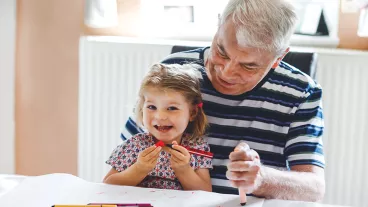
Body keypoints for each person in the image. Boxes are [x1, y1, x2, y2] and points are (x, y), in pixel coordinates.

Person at [122, 0, 325, 201]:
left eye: (248, 66)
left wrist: (262, 178)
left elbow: (314, 188)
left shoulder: (301, 92)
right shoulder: (174, 71)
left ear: (278, 58)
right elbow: (125, 159)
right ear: (219, 25)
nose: (227, 73)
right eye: (221, 51)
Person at [104, 63, 212, 191]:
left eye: (172, 108)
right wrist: (139, 169)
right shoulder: (135, 145)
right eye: (151, 107)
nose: (160, 116)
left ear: (192, 113)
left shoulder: (197, 147)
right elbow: (107, 185)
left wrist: (183, 170)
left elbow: (206, 192)